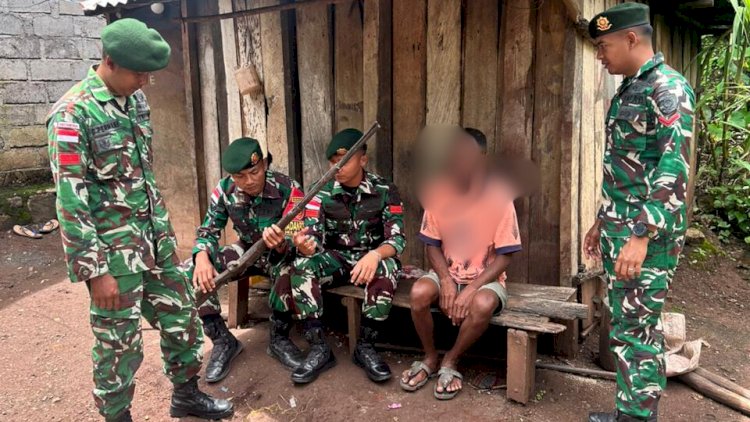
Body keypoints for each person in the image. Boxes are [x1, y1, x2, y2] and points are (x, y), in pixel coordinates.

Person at [46, 18, 232, 421]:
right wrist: (95, 272)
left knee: (182, 318)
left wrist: (166, 238)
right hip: (113, 257)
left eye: (149, 74)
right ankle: (118, 416)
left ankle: (186, 395)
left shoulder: (135, 102)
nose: (146, 82)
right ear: (109, 62)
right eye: (139, 73)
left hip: (156, 244)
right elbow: (71, 203)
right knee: (119, 345)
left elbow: (143, 177)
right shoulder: (72, 115)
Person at [583, 4, 694, 422]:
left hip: (645, 234)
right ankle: (630, 412)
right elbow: (628, 169)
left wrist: (641, 234)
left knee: (637, 328)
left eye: (603, 46)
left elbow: (673, 168)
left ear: (631, 38)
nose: (599, 55)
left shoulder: (668, 88)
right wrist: (601, 221)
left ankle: (637, 418)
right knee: (627, 325)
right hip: (621, 225)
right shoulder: (632, 87)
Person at [269, 128, 406, 384]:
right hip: (336, 260)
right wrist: (306, 246)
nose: (337, 167)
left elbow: (397, 239)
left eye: (343, 160)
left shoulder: (385, 189)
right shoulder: (319, 191)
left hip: (370, 261)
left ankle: (366, 346)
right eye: (332, 161)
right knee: (301, 264)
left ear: (363, 160)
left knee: (388, 266)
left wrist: (375, 255)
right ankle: (319, 347)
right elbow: (312, 236)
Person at [399, 128, 520, 400]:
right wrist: (445, 280)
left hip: (486, 279)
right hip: (448, 271)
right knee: (418, 293)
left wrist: (471, 289)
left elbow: (506, 255)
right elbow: (431, 244)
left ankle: (451, 360)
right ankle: (430, 357)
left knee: (483, 304)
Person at [189, 137, 306, 380]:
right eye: (240, 176)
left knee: (292, 269)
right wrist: (201, 257)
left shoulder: (289, 188)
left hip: (278, 254)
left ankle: (279, 338)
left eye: (254, 172)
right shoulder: (224, 190)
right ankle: (222, 340)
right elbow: (208, 231)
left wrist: (282, 242)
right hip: (244, 251)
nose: (249, 181)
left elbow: (298, 237)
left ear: (264, 164)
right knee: (191, 270)